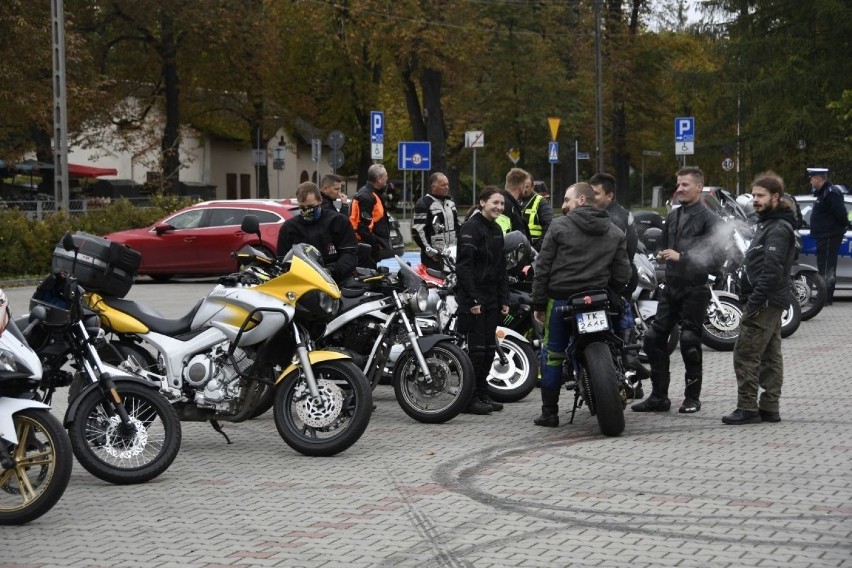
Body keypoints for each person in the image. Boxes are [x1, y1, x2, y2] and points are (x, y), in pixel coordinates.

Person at [531, 182, 631, 427]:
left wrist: (539, 302)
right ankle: (623, 377)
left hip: (562, 300)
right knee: (616, 343)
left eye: (567, 200)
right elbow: (623, 274)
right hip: (598, 299)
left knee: (552, 354)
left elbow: (542, 268)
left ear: (582, 201)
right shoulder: (614, 230)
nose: (563, 205)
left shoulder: (558, 226)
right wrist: (614, 292)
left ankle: (550, 412)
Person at [632, 166, 723, 415]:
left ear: (698, 187)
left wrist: (682, 257)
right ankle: (659, 396)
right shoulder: (672, 216)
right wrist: (662, 254)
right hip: (671, 286)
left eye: (685, 185)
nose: (680, 189)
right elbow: (666, 248)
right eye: (678, 184)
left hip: (696, 288)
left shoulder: (710, 219)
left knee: (689, 342)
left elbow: (717, 258)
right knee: (652, 339)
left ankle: (692, 398)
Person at [723, 172, 798, 425]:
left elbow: (772, 269)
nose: (754, 199)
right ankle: (769, 408)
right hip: (769, 301)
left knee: (745, 354)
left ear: (775, 197)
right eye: (753, 195)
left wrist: (754, 301)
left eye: (760, 195)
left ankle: (747, 408)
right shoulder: (769, 223)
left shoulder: (777, 228)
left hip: (764, 303)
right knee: (770, 355)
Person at [455, 186, 511, 415]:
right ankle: (469, 399)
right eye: (494, 203)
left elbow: (501, 269)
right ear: (482, 203)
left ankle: (483, 393)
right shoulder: (471, 228)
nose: (498, 207)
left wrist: (504, 298)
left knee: (489, 349)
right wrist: (472, 298)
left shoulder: (497, 229)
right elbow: (463, 267)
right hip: (473, 297)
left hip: (491, 297)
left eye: (501, 204)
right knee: (476, 351)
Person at [589, 172, 643, 397]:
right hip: (618, 281)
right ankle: (632, 381)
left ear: (609, 195)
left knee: (622, 330)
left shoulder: (614, 219)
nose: (592, 198)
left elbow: (623, 254)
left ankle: (632, 380)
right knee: (622, 330)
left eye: (596, 194)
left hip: (614, 284)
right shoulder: (616, 214)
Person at [277, 182, 358, 283]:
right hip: (302, 281)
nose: (307, 211)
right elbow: (283, 261)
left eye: (311, 206)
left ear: (320, 200)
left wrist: (330, 272)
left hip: (337, 279)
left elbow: (349, 255)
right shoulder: (289, 228)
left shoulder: (338, 221)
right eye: (302, 208)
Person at [807, 167, 847, 305]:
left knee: (827, 268)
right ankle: (823, 296)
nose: (811, 182)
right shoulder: (824, 192)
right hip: (825, 235)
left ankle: (825, 298)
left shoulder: (830, 193)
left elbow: (841, 214)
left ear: (818, 179)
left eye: (812, 179)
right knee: (823, 266)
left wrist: (839, 228)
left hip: (829, 235)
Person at [411, 172, 460, 271]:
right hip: (434, 257)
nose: (447, 187)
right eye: (443, 185)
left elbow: (457, 226)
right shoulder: (423, 203)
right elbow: (418, 231)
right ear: (433, 186)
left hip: (453, 253)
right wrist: (430, 252)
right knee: (435, 283)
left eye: (447, 184)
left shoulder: (450, 202)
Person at [350, 164, 393, 268]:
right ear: (379, 179)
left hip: (368, 246)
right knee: (367, 277)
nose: (387, 178)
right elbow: (363, 227)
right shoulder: (367, 196)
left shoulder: (373, 194)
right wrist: (375, 244)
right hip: (365, 246)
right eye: (385, 176)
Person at [495, 168, 532, 239]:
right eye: (525, 187)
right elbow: (501, 237)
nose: (525, 190)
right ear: (521, 187)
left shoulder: (511, 205)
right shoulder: (505, 206)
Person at [519, 176, 553, 251]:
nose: (524, 189)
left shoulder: (541, 202)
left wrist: (539, 246)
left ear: (532, 187)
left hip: (535, 247)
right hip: (520, 246)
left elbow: (549, 226)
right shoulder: (516, 200)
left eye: (526, 187)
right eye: (521, 186)